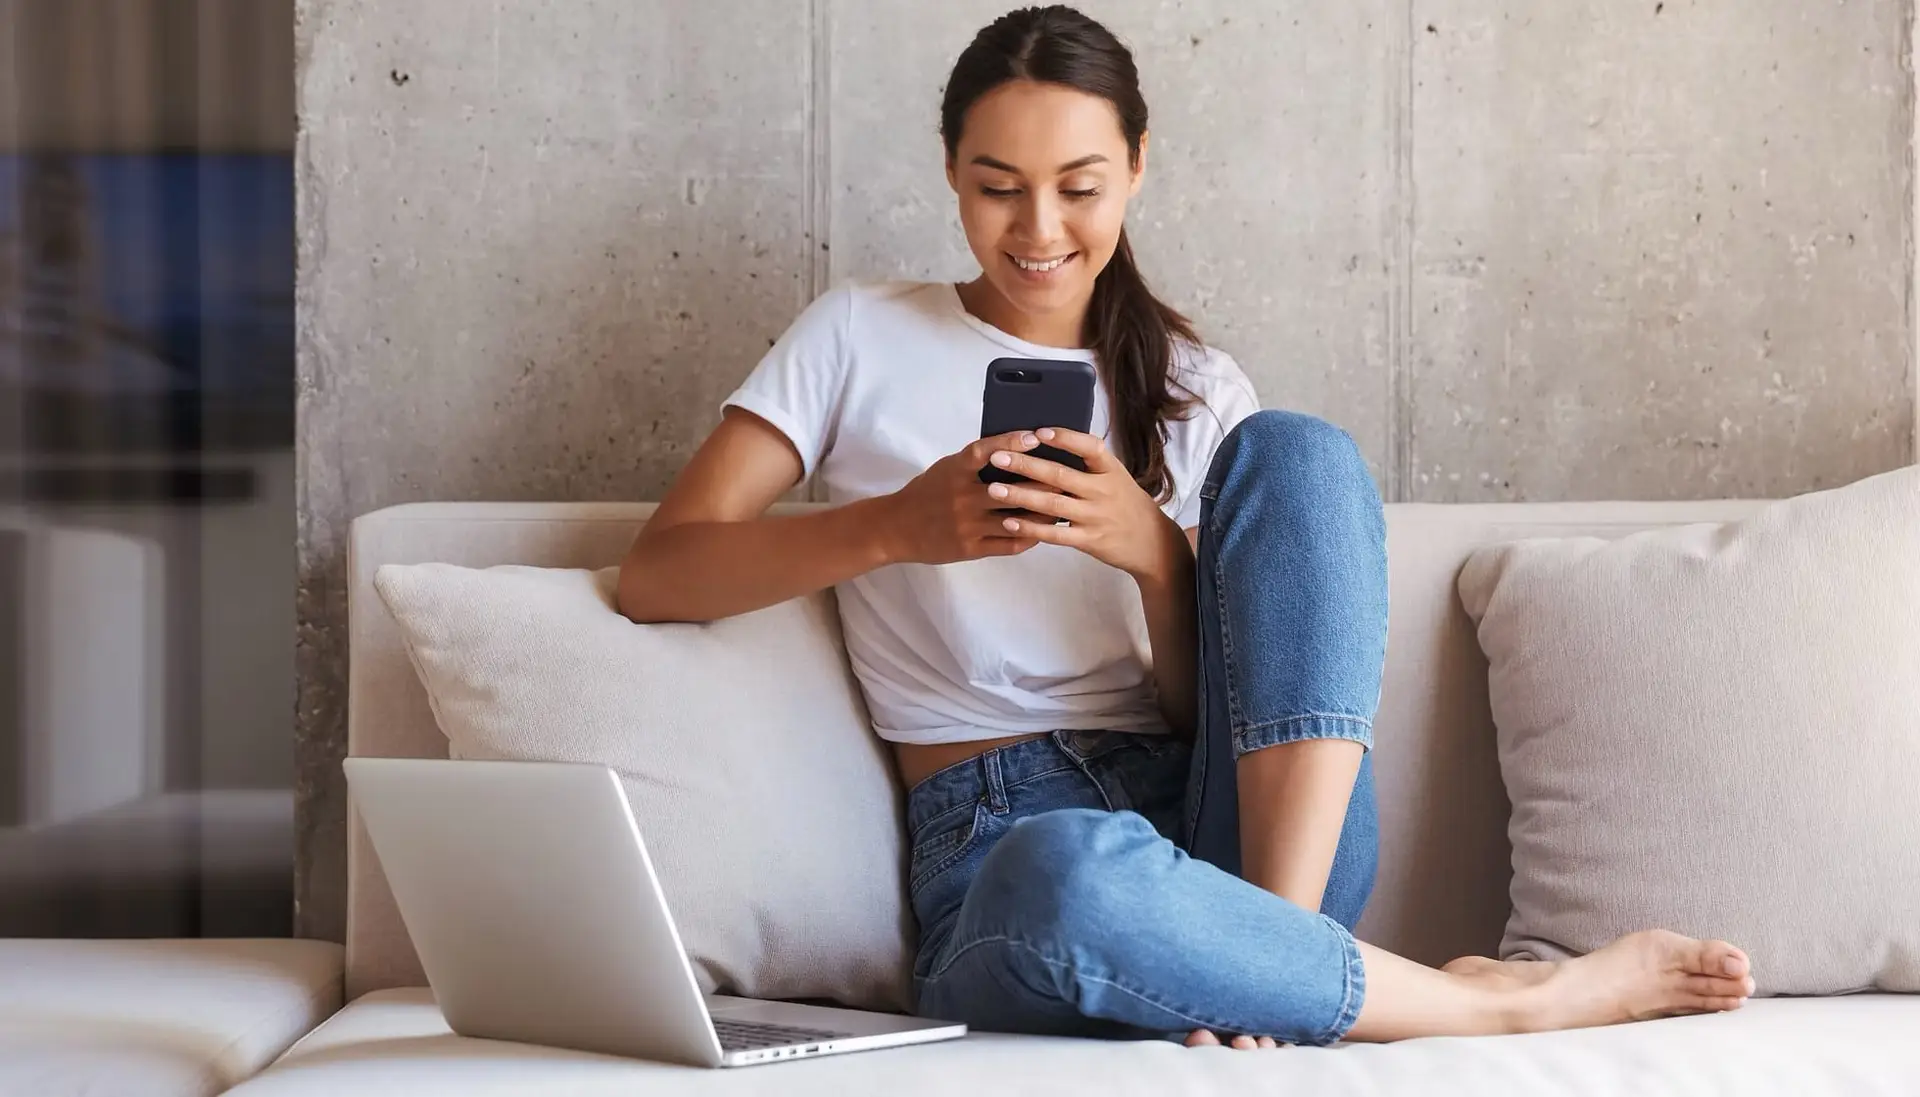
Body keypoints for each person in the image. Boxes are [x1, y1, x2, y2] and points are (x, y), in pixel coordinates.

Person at [617, 4, 1754, 1049]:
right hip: (1009, 852)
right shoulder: (857, 334)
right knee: (1067, 865)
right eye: (999, 186)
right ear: (952, 171)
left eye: (1080, 186)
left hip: (1247, 838)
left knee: (1302, 451)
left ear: (1138, 166)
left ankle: (1267, 958)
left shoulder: (1201, 389)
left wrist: (1153, 556)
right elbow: (659, 574)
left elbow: (1218, 705)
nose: (1039, 228)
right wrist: (898, 526)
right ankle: (1483, 997)